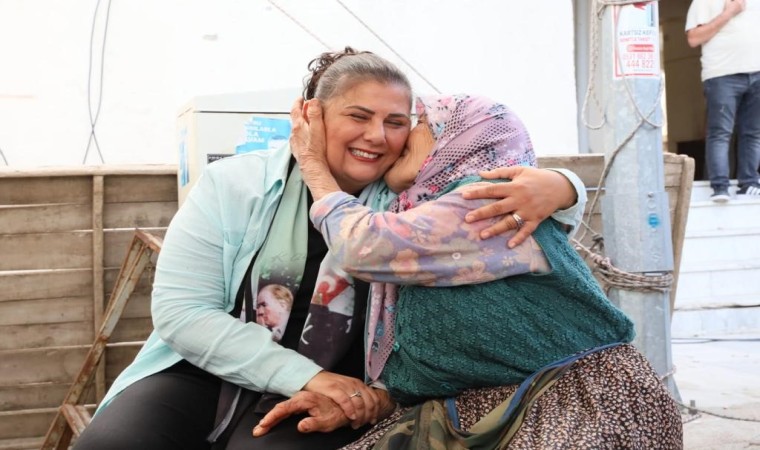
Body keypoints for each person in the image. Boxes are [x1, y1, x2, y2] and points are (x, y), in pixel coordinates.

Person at [72, 47, 585, 450]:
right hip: (209, 369)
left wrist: (565, 187)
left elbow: (498, 195)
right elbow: (182, 313)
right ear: (310, 117)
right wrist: (308, 377)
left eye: (396, 122)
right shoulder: (235, 184)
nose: (376, 136)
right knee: (114, 444)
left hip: (349, 387)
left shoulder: (415, 199)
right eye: (357, 116)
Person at [254, 93, 683, 449]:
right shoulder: (423, 210)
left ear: (459, 139)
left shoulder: (486, 200)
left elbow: (361, 246)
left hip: (582, 406)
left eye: (420, 123)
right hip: (492, 406)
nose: (400, 136)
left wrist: (312, 162)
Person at [685, 0, 760, 201]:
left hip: (757, 73)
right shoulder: (703, 2)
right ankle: (720, 186)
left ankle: (750, 184)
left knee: (753, 133)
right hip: (722, 75)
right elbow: (693, 38)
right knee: (720, 133)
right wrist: (729, 13)